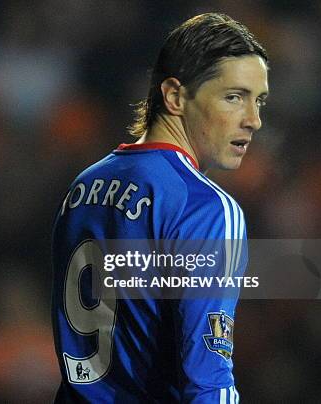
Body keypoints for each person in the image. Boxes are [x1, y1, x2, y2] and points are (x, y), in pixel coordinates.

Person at [51, 13, 269, 403]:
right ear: (174, 96)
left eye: (259, 100)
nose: (253, 120)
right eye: (234, 97)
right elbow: (207, 380)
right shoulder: (206, 207)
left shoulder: (82, 187)